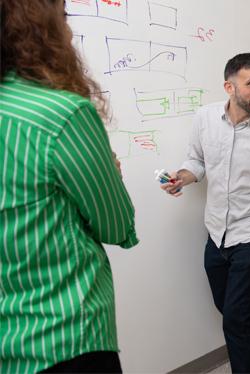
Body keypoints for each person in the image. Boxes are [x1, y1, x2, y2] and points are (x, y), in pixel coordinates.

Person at [0, 0, 139, 372]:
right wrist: (109, 173)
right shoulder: (61, 114)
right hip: (65, 336)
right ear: (38, 30)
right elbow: (116, 225)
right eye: (63, 17)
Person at [160, 53, 250, 373]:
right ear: (229, 86)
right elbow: (196, 162)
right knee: (226, 304)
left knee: (236, 318)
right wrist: (182, 178)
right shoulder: (204, 118)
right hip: (216, 228)